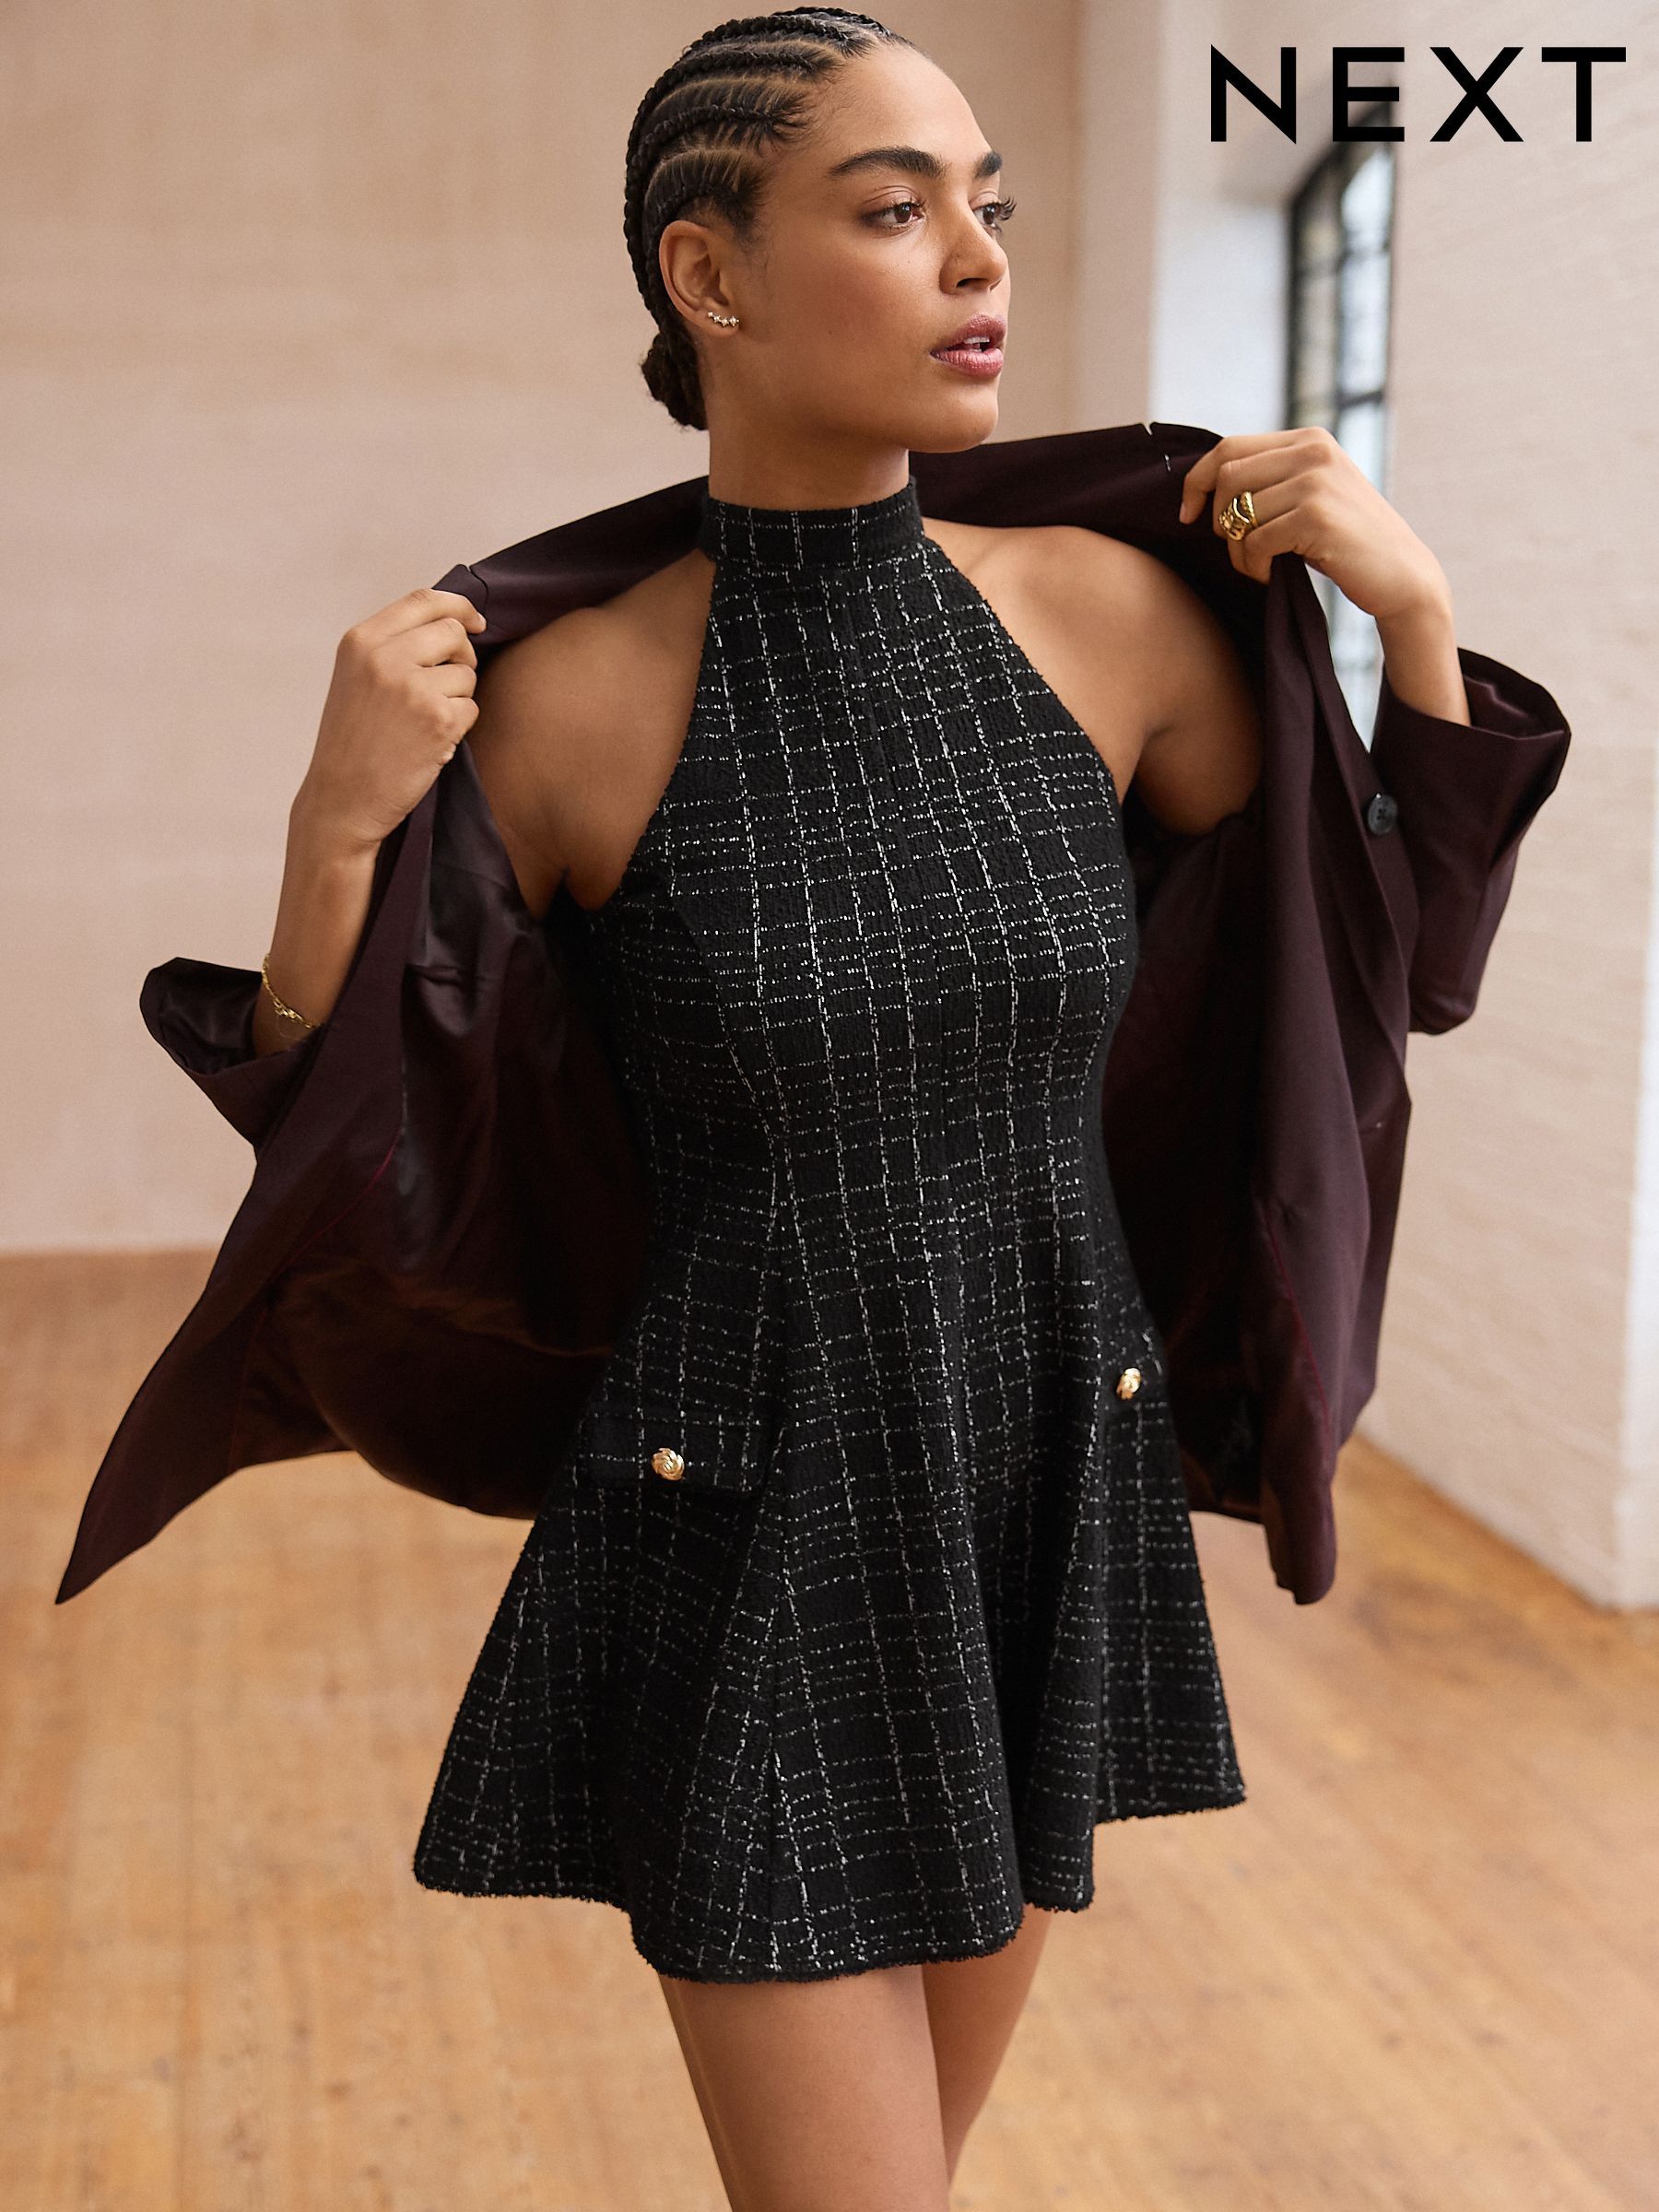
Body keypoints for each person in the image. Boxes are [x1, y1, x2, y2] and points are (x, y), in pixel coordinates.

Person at [57, 12, 1571, 2210]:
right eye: (893, 208)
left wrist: (1411, 618)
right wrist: (332, 829)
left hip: (1043, 1481)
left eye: (988, 203)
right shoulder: (569, 705)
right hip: (738, 1511)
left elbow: (1386, 966)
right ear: (710, 276)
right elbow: (369, 1146)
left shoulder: (1115, 629)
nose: (979, 257)